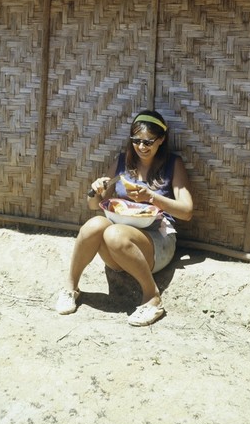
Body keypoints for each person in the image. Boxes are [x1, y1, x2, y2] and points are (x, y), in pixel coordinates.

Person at [55, 109, 193, 326]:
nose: (141, 147)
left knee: (113, 232)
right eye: (136, 141)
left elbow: (186, 211)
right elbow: (94, 206)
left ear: (161, 140)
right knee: (94, 225)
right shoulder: (123, 162)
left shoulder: (172, 164)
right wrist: (96, 191)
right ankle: (70, 288)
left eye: (148, 142)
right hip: (119, 242)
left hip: (157, 238)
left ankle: (152, 299)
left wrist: (153, 198)